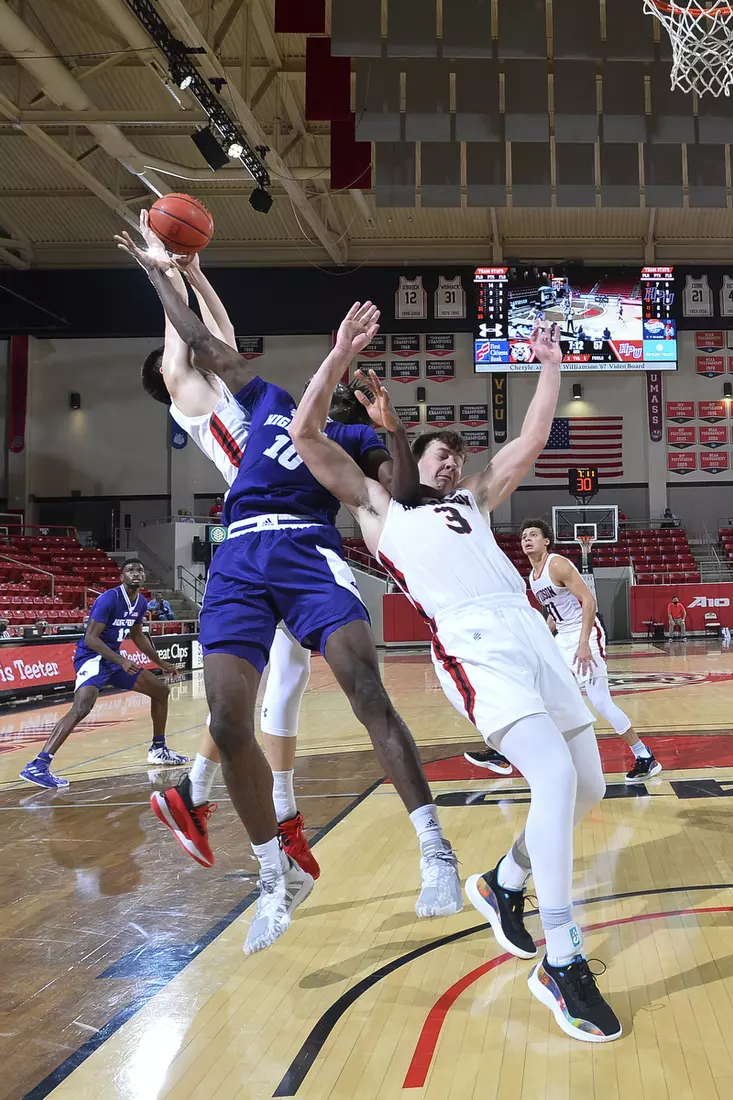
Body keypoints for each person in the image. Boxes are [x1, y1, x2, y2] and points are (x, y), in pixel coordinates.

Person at [116, 230, 462, 957]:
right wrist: (162, 277)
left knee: (366, 690)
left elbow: (399, 491)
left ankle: (434, 850)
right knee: (227, 716)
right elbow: (199, 343)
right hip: (241, 551)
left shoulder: (341, 435)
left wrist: (391, 427)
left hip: (308, 547)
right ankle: (274, 874)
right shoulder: (260, 397)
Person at [289, 322, 620, 1043]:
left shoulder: (471, 502)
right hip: (475, 645)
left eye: (457, 457)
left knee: (590, 787)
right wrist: (343, 362)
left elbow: (528, 442)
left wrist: (551, 368)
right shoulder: (377, 508)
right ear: (405, 457)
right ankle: (560, 961)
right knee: (556, 782)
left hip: (529, 634)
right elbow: (307, 433)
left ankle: (502, 882)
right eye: (443, 454)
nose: (452, 464)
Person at [134, 215, 317, 877]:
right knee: (272, 680)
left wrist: (195, 270)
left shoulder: (230, 387)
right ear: (170, 373)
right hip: (255, 541)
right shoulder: (187, 397)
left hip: (281, 529)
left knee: (282, 678)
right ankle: (252, 809)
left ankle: (200, 795)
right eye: (182, 354)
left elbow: (216, 330)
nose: (197, 349)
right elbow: (180, 339)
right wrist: (161, 271)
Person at [20, 559, 184, 790]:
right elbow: (90, 638)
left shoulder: (141, 604)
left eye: (139, 570)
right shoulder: (109, 598)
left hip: (114, 660)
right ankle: (39, 764)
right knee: (82, 708)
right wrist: (121, 659)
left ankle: (158, 749)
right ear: (121, 577)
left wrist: (161, 663)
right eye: (130, 570)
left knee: (161, 691)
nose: (136, 574)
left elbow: (138, 636)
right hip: (93, 658)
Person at [522, 518, 662, 784]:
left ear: (546, 541)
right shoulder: (532, 575)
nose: (527, 539)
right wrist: (544, 635)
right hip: (563, 637)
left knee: (600, 701)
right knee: (549, 695)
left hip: (585, 633)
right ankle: (554, 757)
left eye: (533, 535)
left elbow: (589, 601)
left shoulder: (558, 564)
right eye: (524, 536)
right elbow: (554, 613)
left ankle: (644, 756)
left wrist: (584, 643)